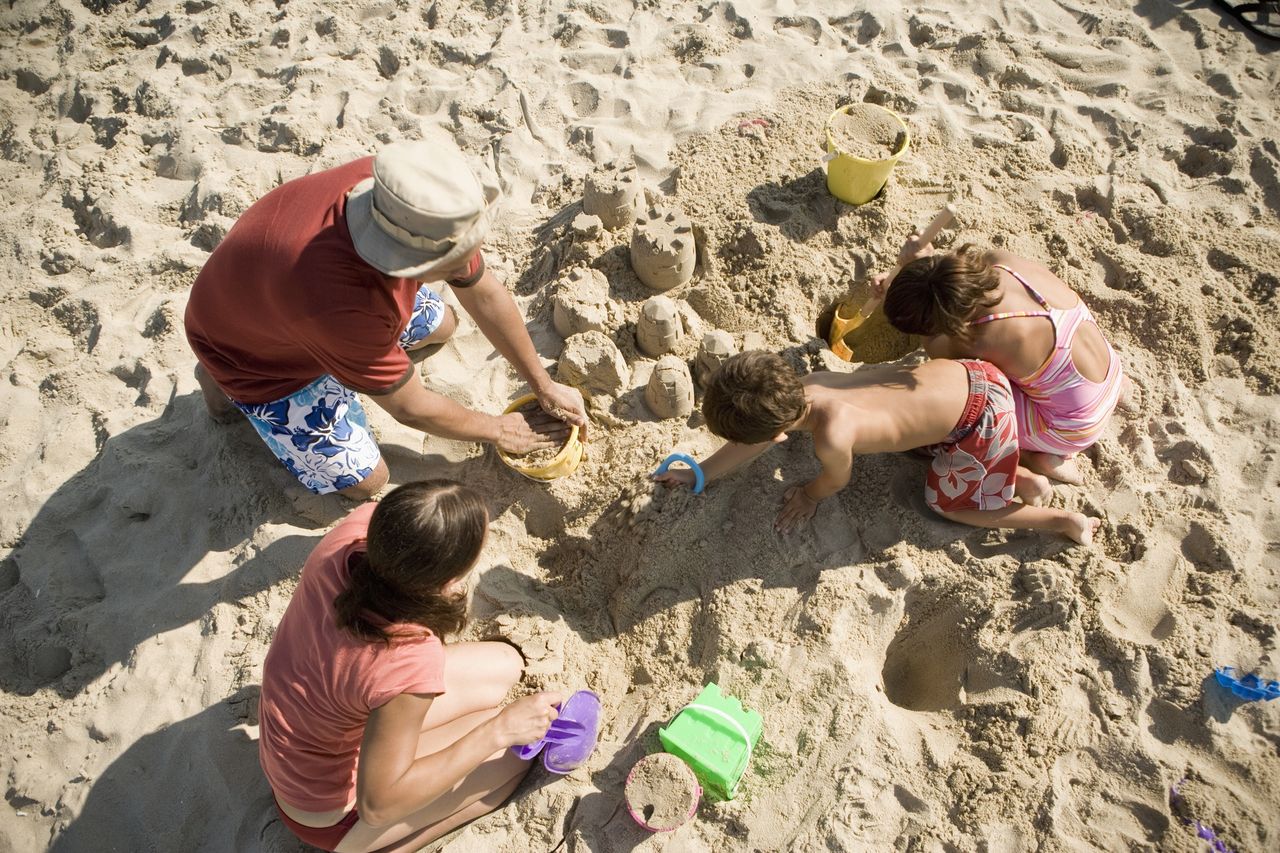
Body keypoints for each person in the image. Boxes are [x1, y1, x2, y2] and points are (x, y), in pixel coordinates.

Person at [185, 138, 587, 499]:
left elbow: (482, 291)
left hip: (275, 303)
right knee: (367, 481)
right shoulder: (343, 307)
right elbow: (409, 407)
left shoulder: (402, 194)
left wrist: (542, 382)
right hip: (253, 357)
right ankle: (222, 384)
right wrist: (500, 429)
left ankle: (342, 364)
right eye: (450, 264)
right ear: (407, 263)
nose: (465, 267)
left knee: (443, 325)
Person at [258, 479, 563, 852]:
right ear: (447, 581)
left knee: (505, 665)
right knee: (511, 759)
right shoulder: (408, 657)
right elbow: (377, 805)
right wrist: (499, 729)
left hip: (296, 751)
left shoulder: (352, 534)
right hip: (330, 812)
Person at [654, 351, 1101, 544]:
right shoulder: (810, 384)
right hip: (977, 378)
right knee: (913, 441)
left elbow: (837, 479)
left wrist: (810, 495)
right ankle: (1021, 474)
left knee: (946, 503)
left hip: (979, 425)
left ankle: (1061, 520)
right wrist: (701, 473)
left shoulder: (833, 434)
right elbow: (748, 444)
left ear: (776, 436)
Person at [876, 240, 1125, 485]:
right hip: (1108, 371)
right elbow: (943, 292)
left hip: (1071, 427)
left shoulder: (980, 337)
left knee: (961, 399)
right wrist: (919, 265)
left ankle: (1037, 457)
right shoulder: (1000, 262)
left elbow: (936, 350)